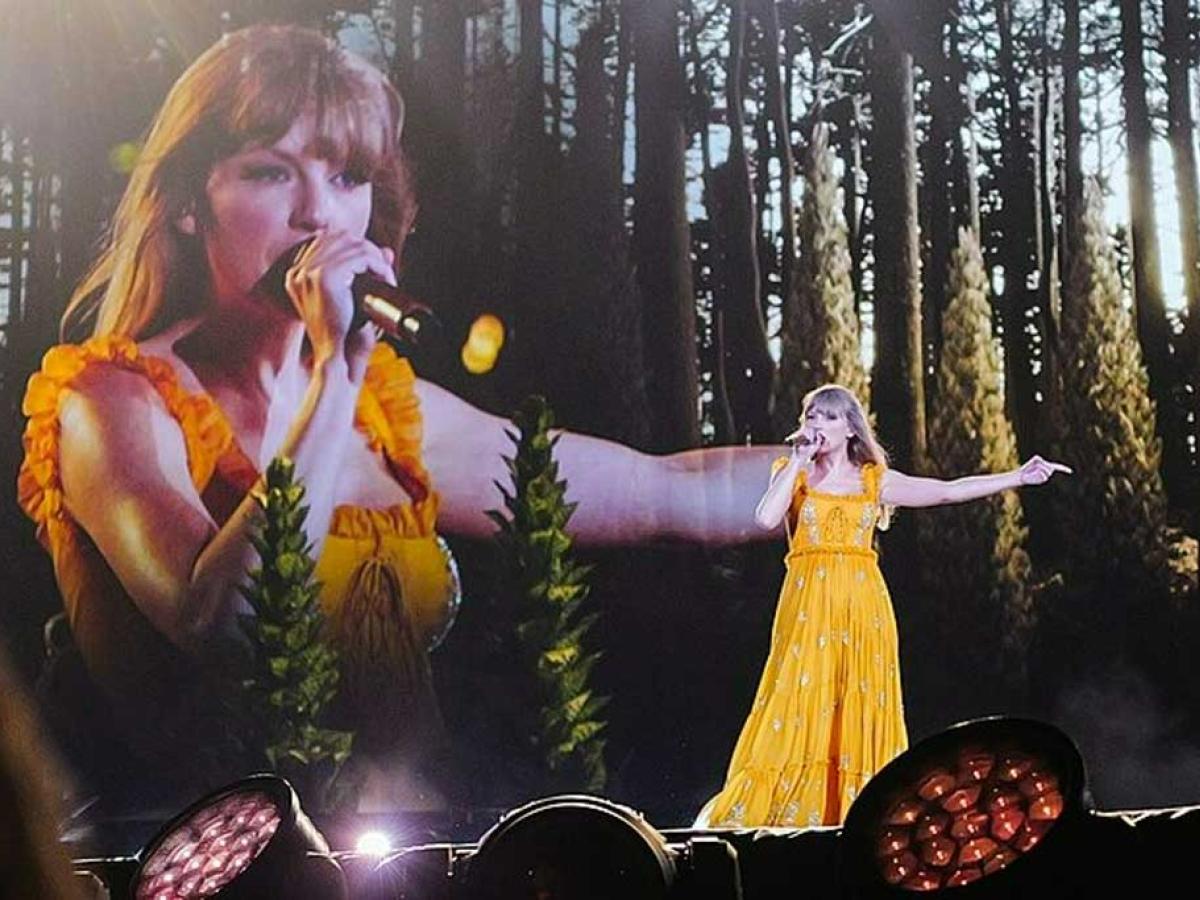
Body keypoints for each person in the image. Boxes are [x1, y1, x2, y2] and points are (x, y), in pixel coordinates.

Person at [17, 24, 780, 813]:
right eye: (272, 172)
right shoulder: (112, 399)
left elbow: (663, 492)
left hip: (395, 855)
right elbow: (223, 621)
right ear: (185, 204)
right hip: (186, 855)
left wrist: (840, 468)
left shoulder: (391, 413)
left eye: (348, 178)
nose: (319, 214)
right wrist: (336, 376)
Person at [696, 384, 1070, 828]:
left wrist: (1017, 477)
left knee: (858, 704)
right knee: (798, 700)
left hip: (863, 609)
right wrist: (797, 460)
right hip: (807, 610)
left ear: (851, 428)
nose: (817, 423)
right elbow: (764, 517)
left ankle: (860, 814)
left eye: (829, 417)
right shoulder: (791, 472)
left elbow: (947, 492)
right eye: (811, 414)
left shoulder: (873, 480)